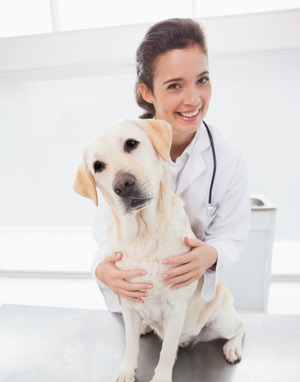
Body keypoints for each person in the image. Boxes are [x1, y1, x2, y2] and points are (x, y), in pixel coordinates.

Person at [91, 18, 251, 313]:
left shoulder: (228, 158)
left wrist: (212, 254)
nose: (193, 99)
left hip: (187, 306)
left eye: (202, 80)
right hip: (140, 302)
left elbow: (231, 235)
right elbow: (106, 231)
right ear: (147, 92)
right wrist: (102, 270)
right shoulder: (119, 151)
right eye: (175, 85)